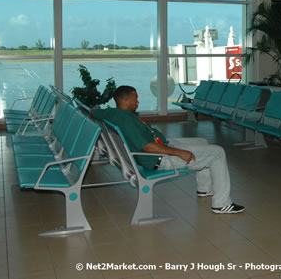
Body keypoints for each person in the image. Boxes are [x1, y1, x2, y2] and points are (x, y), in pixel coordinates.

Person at [92, 85, 244, 214]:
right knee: (217, 152)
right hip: (159, 157)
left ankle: (204, 189)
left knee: (202, 141)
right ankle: (222, 203)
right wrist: (180, 152)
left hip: (161, 146)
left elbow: (94, 111)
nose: (138, 101)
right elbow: (147, 147)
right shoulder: (126, 119)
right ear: (124, 100)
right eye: (135, 98)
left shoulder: (113, 113)